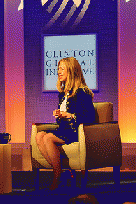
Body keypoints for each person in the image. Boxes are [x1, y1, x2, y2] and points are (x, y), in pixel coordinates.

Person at [35, 57, 95, 190]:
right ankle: (63, 172)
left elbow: (90, 117)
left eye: (62, 69)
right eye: (58, 69)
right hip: (64, 130)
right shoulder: (63, 94)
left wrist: (70, 115)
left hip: (76, 132)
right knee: (39, 136)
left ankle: (57, 175)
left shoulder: (82, 92)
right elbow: (61, 119)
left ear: (71, 71)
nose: (59, 72)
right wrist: (59, 114)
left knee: (48, 138)